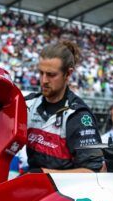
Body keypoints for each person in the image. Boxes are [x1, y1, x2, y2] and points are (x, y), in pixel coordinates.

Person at [24, 40, 103, 173]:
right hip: (35, 188)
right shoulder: (29, 103)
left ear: (68, 74)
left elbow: (92, 172)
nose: (44, 80)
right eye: (41, 73)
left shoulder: (78, 115)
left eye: (51, 75)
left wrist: (44, 174)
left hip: (67, 192)